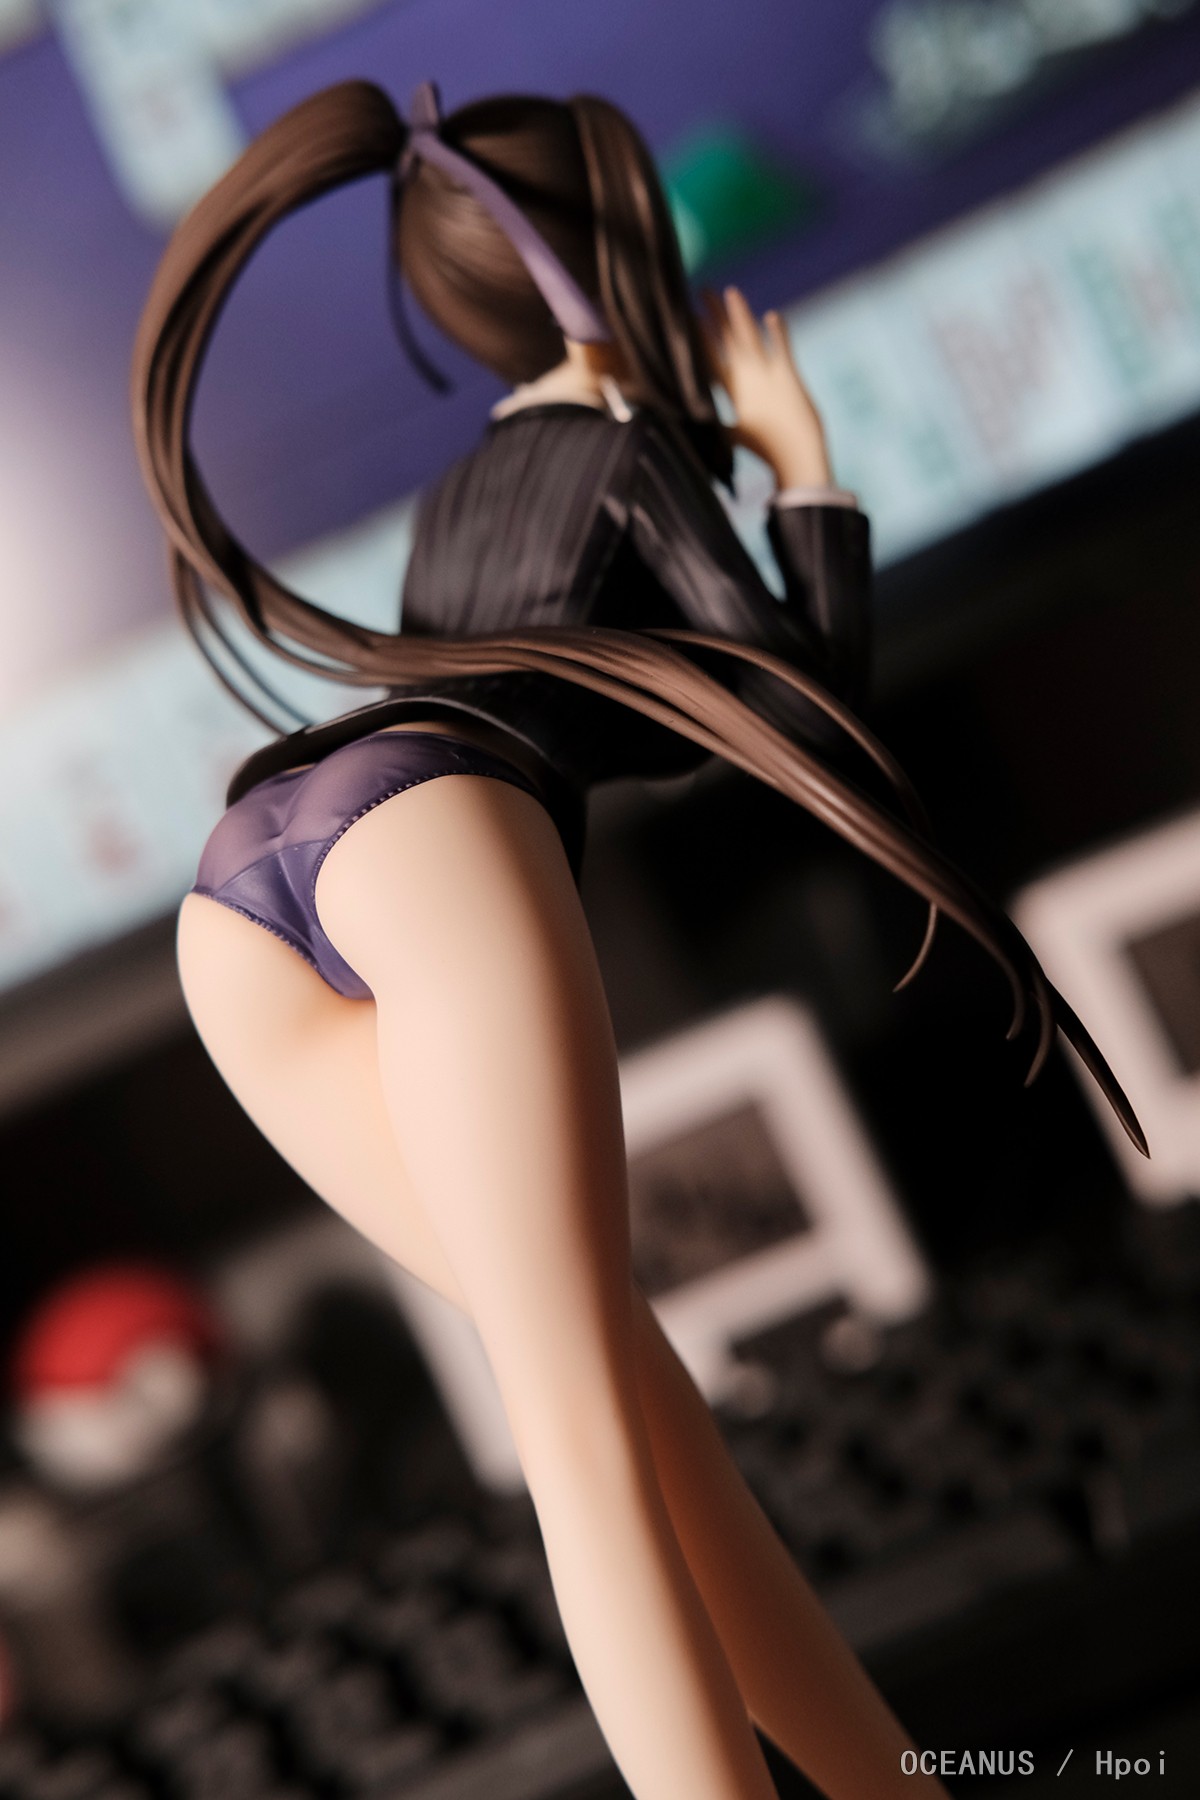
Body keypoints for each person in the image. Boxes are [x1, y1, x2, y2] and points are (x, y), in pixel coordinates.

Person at [131, 79, 1143, 1800]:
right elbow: (804, 717)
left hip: (242, 901)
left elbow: (620, 701)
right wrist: (804, 474)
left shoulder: (464, 498)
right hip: (429, 834)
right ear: (621, 259)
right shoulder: (625, 449)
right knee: (595, 1445)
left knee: (637, 1422)